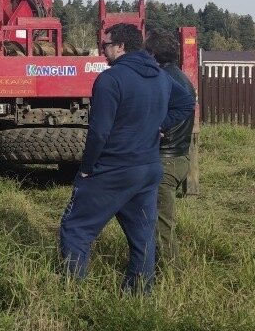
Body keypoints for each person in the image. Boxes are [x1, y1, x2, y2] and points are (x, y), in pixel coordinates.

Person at [59, 23, 195, 292]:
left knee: (75, 229)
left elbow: (99, 132)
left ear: (120, 46)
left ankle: (73, 295)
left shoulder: (111, 79)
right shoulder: (160, 76)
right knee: (142, 238)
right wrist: (159, 125)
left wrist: (87, 167)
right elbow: (187, 103)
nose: (102, 51)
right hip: (148, 170)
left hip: (112, 169)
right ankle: (139, 295)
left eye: (105, 45)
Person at [144, 27, 196, 270]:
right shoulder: (182, 77)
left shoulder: (163, 80)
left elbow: (160, 116)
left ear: (153, 53)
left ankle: (171, 274)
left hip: (165, 159)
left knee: (160, 225)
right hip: (179, 157)